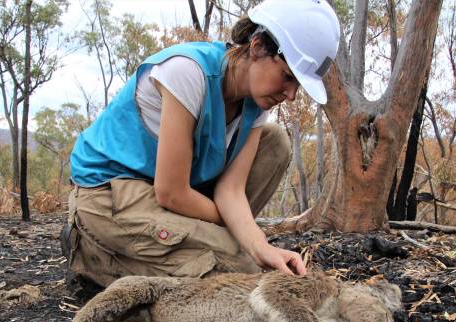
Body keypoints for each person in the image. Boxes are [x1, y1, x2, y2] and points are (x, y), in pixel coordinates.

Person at [62, 0, 341, 288]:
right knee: (239, 270)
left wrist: (259, 245)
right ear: (257, 47)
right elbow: (171, 193)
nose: (292, 94)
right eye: (287, 77)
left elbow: (231, 190)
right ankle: (90, 251)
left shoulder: (257, 105)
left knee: (276, 143)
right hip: (111, 188)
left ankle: (194, 246)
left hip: (175, 195)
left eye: (298, 85)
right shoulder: (188, 73)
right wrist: (237, 235)